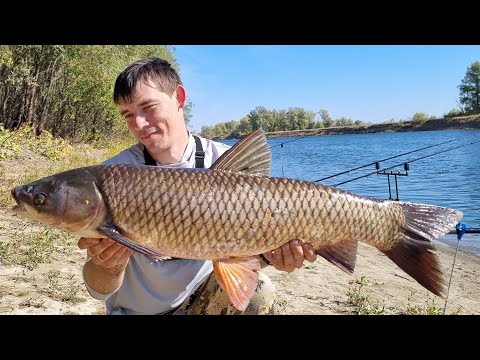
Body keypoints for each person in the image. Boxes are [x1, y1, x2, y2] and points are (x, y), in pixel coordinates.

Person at [77, 57, 317, 315]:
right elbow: (98, 290)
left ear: (179, 97)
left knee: (261, 290)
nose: (139, 124)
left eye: (148, 107)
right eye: (128, 115)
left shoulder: (224, 160)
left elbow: (242, 257)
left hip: (203, 303)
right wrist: (108, 266)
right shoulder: (112, 178)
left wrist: (273, 255)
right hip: (137, 312)